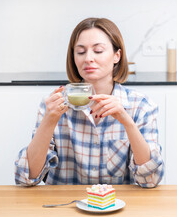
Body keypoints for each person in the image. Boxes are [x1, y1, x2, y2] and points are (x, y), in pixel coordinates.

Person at [15, 17, 164, 188]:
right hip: (64, 207)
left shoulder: (141, 106)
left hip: (117, 208)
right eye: (80, 52)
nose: (88, 58)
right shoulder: (53, 104)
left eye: (98, 50)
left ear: (117, 56)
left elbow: (151, 179)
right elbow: (26, 178)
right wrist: (49, 120)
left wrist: (127, 121)